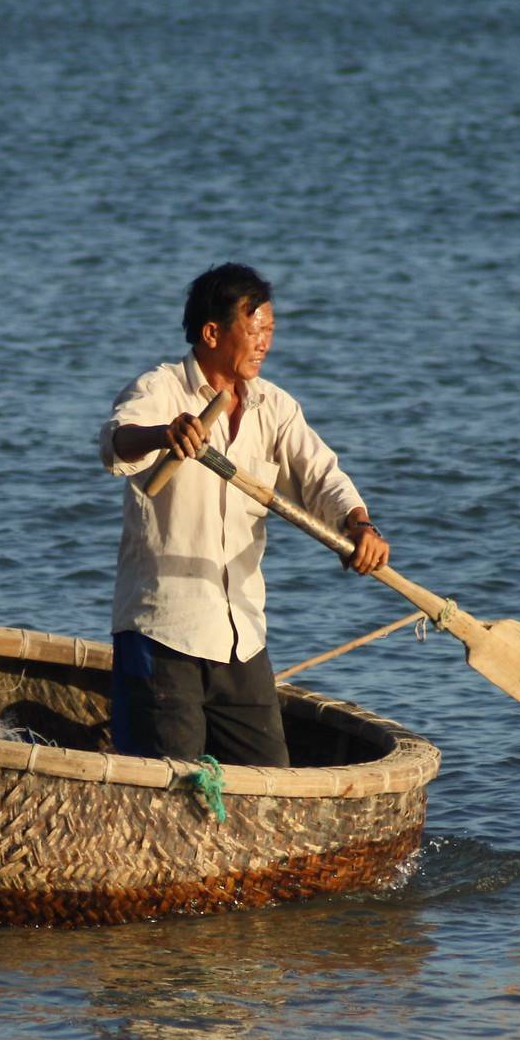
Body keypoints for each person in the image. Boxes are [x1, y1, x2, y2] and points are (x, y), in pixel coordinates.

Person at [99, 263, 389, 767]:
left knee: (269, 776)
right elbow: (117, 441)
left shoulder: (274, 407)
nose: (264, 344)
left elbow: (322, 477)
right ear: (212, 333)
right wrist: (165, 433)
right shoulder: (160, 389)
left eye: (269, 332)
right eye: (254, 330)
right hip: (163, 630)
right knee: (171, 782)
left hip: (241, 634)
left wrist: (359, 525)